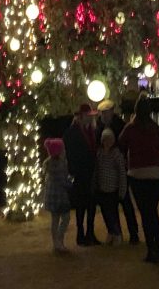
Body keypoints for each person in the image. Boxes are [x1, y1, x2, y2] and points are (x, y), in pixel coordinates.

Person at [118, 94, 159, 263]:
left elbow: (121, 143)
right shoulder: (155, 127)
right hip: (156, 174)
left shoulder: (131, 128)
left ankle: (151, 249)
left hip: (138, 173)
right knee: (153, 211)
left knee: (145, 213)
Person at [97, 99, 140, 244]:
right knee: (111, 205)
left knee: (125, 202)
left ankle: (132, 233)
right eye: (103, 113)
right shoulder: (100, 125)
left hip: (119, 165)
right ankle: (116, 232)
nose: (104, 115)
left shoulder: (119, 125)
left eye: (106, 112)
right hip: (107, 170)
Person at [63, 102, 99, 245]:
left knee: (91, 204)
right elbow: (70, 153)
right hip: (80, 173)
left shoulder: (90, 131)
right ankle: (80, 233)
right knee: (81, 204)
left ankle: (90, 232)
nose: (90, 118)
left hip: (90, 172)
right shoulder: (73, 132)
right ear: (82, 116)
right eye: (88, 116)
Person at [93, 127, 127, 244]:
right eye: (105, 140)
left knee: (112, 212)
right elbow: (97, 170)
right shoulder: (100, 153)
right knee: (105, 212)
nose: (107, 142)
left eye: (109, 139)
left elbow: (122, 173)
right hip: (102, 188)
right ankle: (111, 232)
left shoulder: (116, 154)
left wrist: (122, 190)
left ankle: (117, 233)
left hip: (113, 189)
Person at [43, 137, 72, 253]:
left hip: (51, 197)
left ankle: (56, 242)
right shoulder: (61, 165)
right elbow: (64, 182)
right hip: (60, 197)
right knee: (66, 217)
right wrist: (72, 183)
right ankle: (60, 240)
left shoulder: (48, 164)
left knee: (54, 220)